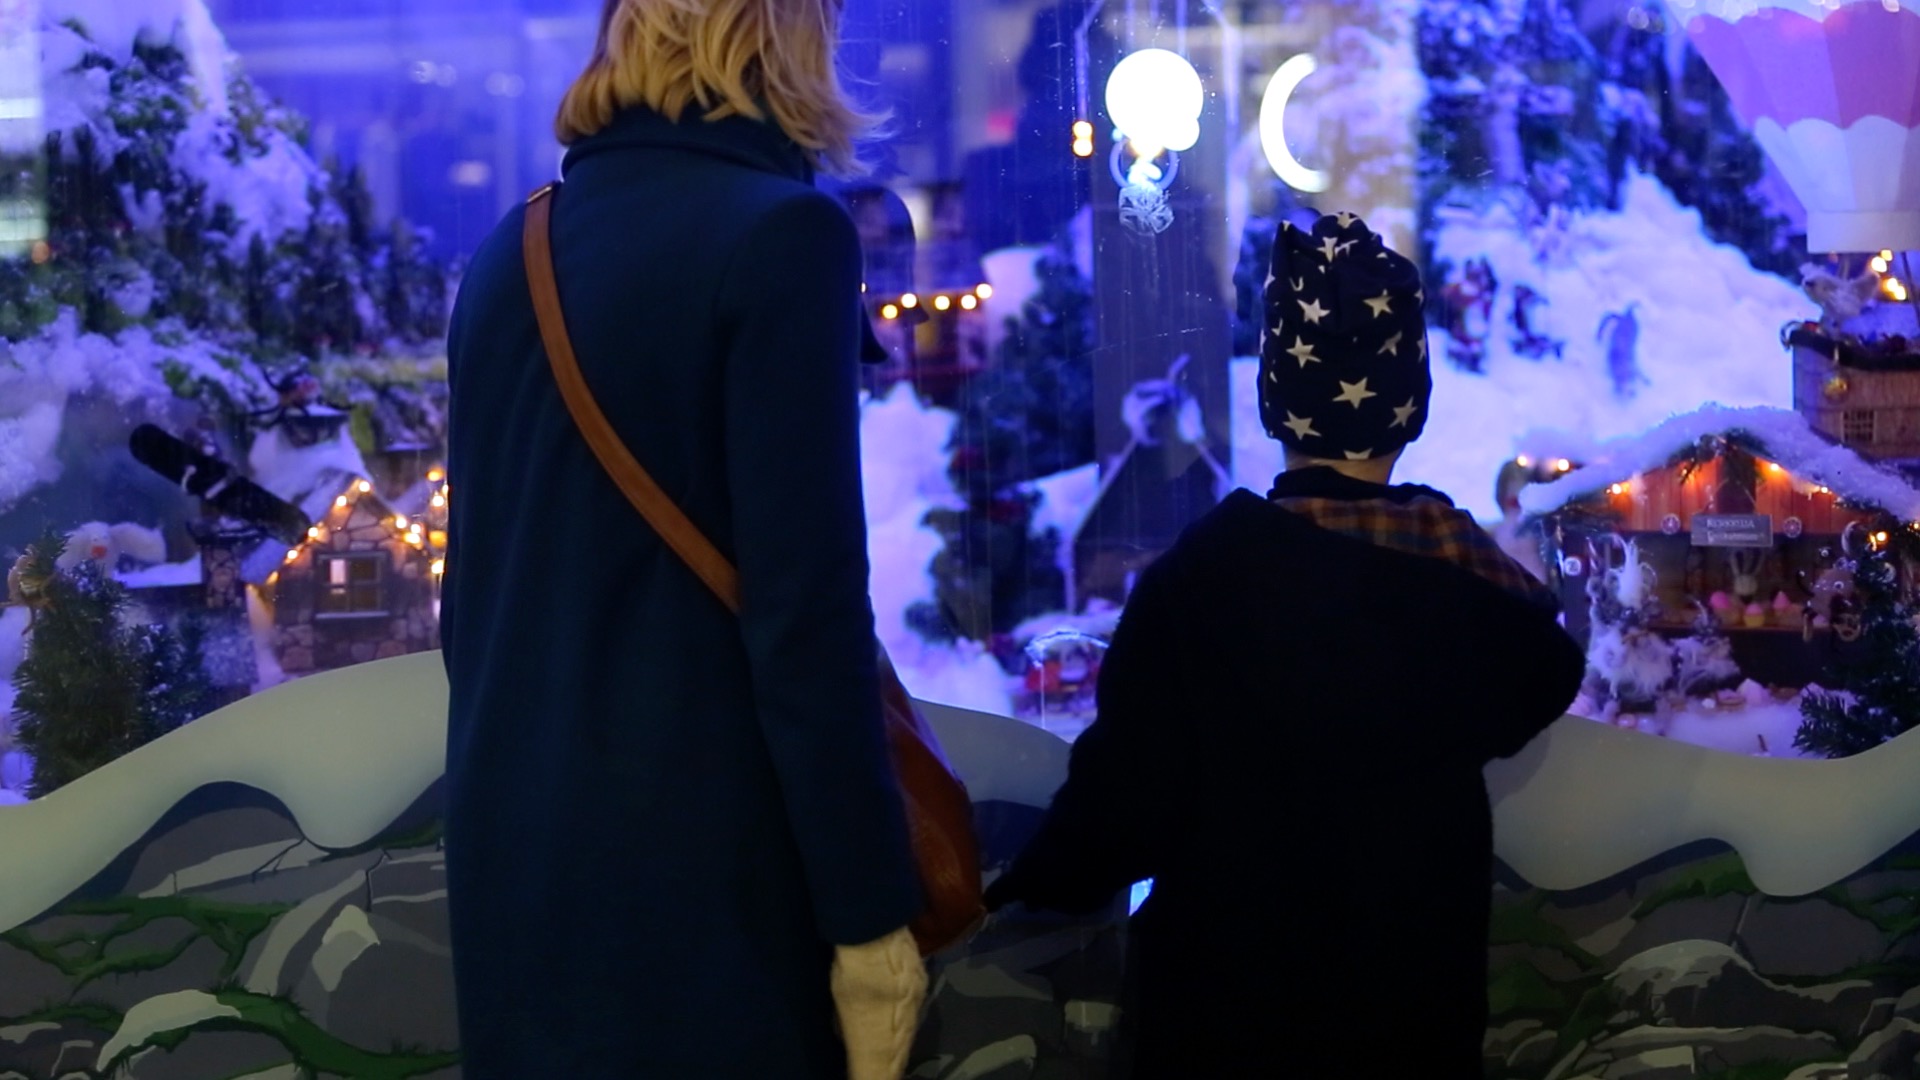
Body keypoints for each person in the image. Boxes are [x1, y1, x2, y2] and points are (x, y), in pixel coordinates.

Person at [438, 1, 925, 1076]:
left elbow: (464, 612)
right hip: (698, 888)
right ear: (787, 33)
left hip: (510, 876)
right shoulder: (782, 238)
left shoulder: (504, 253)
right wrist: (868, 919)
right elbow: (806, 619)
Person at [983, 214, 1586, 1077]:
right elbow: (1546, 667)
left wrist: (1026, 888)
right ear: (1409, 407)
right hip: (1413, 1022)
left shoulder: (1201, 584)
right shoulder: (1474, 589)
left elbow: (1123, 805)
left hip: (1221, 1020)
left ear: (1275, 399)